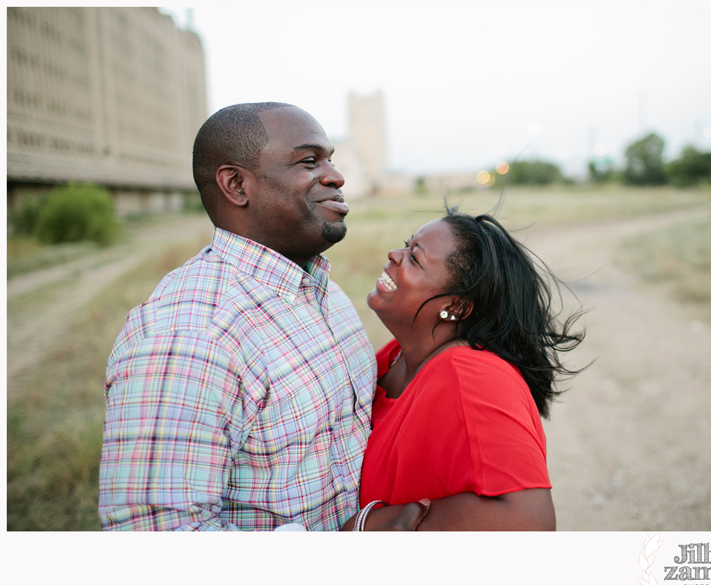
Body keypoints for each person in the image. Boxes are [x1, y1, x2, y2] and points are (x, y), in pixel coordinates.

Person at [99, 103, 429, 531]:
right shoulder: (191, 337)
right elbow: (155, 534)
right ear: (236, 185)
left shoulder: (320, 289)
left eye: (331, 158)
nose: (336, 176)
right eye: (309, 161)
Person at [351, 206, 585, 530]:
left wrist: (382, 524)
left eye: (414, 258)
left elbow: (530, 521)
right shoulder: (395, 356)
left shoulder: (473, 375)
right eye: (406, 245)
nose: (394, 254)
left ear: (455, 305)